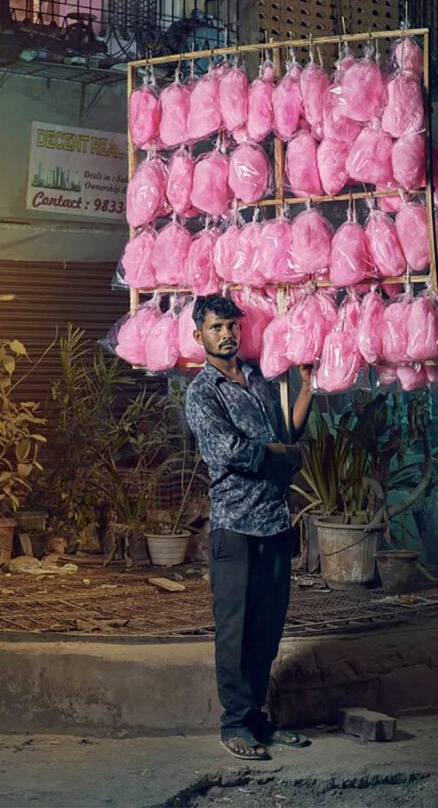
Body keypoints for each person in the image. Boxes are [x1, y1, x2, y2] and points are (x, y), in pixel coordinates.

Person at [185, 293, 315, 761]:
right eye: (216, 327)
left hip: (274, 522)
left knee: (267, 627)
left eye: (232, 326)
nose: (226, 334)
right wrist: (281, 458)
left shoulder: (259, 380)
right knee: (235, 628)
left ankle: (258, 718)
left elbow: (286, 433)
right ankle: (235, 723)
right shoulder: (202, 393)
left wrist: (305, 390)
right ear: (199, 335)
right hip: (235, 528)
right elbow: (228, 452)